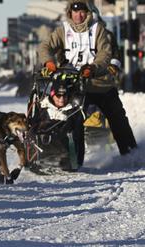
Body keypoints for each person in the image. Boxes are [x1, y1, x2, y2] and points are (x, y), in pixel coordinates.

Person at [38, 0, 137, 156]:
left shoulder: (99, 30)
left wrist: (93, 68)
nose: (79, 15)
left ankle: (130, 152)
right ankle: (58, 152)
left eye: (83, 11)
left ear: (89, 13)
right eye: (75, 11)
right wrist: (48, 61)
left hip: (98, 82)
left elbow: (105, 54)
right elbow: (45, 46)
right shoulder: (62, 30)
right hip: (71, 83)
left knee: (116, 114)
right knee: (63, 114)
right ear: (70, 13)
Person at [33, 78, 85, 171]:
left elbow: (80, 137)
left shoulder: (73, 110)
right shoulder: (43, 107)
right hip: (43, 149)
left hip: (66, 153)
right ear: (52, 95)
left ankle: (66, 160)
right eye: (58, 95)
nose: (61, 99)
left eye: (65, 96)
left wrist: (79, 162)